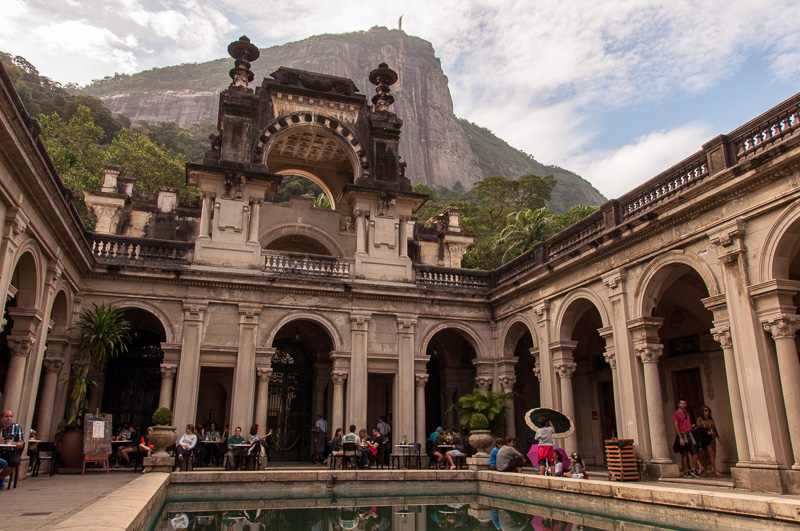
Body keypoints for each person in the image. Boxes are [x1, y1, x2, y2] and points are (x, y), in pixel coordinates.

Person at [672, 399, 700, 478]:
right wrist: (680, 437)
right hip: (682, 434)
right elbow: (676, 426)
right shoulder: (676, 414)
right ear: (678, 404)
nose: (683, 405)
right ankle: (686, 470)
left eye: (684, 403)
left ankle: (693, 469)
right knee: (684, 453)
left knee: (695, 450)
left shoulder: (687, 413)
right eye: (681, 403)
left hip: (689, 433)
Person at [696, 405, 724, 477]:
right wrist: (706, 432)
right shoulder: (700, 419)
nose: (707, 412)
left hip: (712, 438)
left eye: (708, 410)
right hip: (706, 439)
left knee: (713, 455)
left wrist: (719, 438)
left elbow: (715, 429)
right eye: (705, 410)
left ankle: (704, 467)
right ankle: (715, 471)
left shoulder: (711, 420)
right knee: (711, 454)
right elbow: (699, 429)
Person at [0, 410, 24, 489]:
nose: (9, 419)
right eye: (6, 416)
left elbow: (21, 443)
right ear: (2, 418)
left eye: (11, 417)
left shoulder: (16, 428)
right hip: (1, 451)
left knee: (14, 462)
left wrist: (13, 443)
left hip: (11, 451)